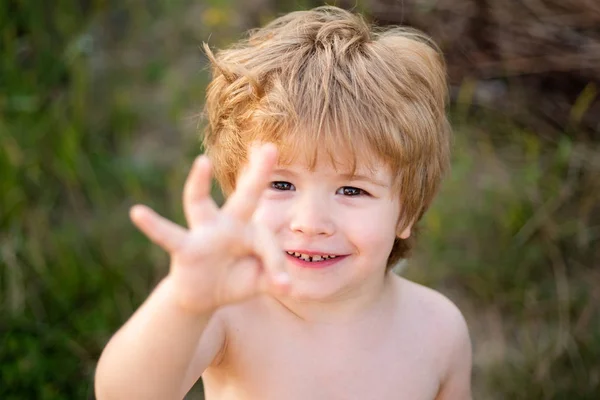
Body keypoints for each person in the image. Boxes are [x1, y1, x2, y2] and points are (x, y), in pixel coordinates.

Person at [95, 6, 472, 400]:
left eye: (352, 190)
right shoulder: (228, 314)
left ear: (407, 211)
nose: (310, 223)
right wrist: (184, 301)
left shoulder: (439, 330)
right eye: (280, 183)